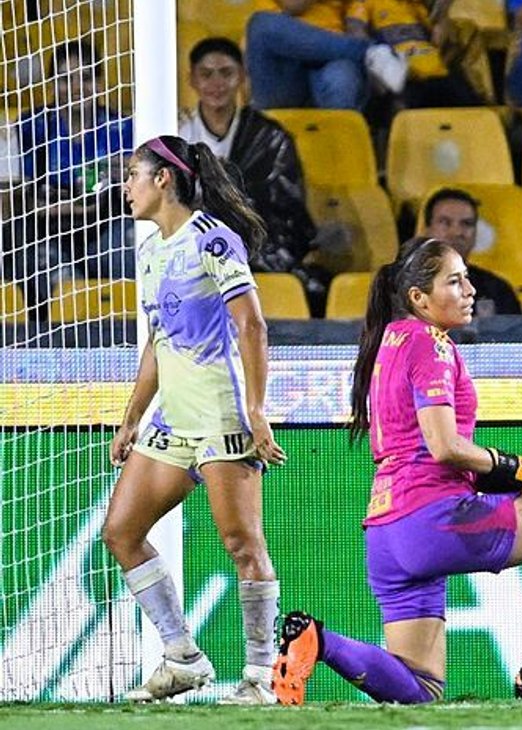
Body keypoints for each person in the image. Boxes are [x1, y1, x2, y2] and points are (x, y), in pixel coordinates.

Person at [272, 238, 522, 706]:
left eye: (466, 278)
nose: (470, 290)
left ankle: (316, 640)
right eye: (454, 281)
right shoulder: (431, 344)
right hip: (433, 519)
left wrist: (510, 476)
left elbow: (417, 446)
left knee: (419, 689)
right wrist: (518, 468)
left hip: (386, 532)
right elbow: (444, 447)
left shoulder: (390, 339)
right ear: (419, 298)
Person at [102, 135, 288, 704]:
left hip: (222, 415)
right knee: (122, 532)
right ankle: (182, 655)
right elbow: (158, 340)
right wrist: (132, 416)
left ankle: (260, 677)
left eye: (133, 174)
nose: (125, 187)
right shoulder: (151, 251)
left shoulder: (212, 240)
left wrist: (256, 411)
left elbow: (252, 325)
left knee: (242, 543)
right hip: (172, 422)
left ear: (164, 180)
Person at [180, 37, 333, 316]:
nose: (217, 84)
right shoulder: (178, 134)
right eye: (206, 74)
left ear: (242, 76)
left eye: (226, 73)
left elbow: (285, 205)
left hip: (255, 246)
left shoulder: (270, 135)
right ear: (192, 79)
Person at [13, 39, 134, 310]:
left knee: (128, 244)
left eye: (86, 78)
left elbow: (131, 192)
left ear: (101, 82)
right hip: (51, 235)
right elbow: (32, 203)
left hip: (106, 232)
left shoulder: (122, 128)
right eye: (65, 79)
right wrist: (84, 202)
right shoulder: (34, 126)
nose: (77, 88)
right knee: (35, 263)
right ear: (52, 85)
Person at [245, 0, 408, 110]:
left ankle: (334, 154)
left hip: (331, 57)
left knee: (343, 77)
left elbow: (355, 23)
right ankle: (368, 52)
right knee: (261, 24)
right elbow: (294, 4)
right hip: (280, 65)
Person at [344, 0, 485, 107]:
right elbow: (356, 33)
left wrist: (443, 22)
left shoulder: (416, 7)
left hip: (440, 75)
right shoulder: (365, 4)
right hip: (405, 80)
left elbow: (438, 40)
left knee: (474, 113)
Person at [419, 188, 522, 318]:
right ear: (426, 230)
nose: (457, 232)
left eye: (466, 224)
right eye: (445, 222)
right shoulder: (398, 288)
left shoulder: (497, 290)